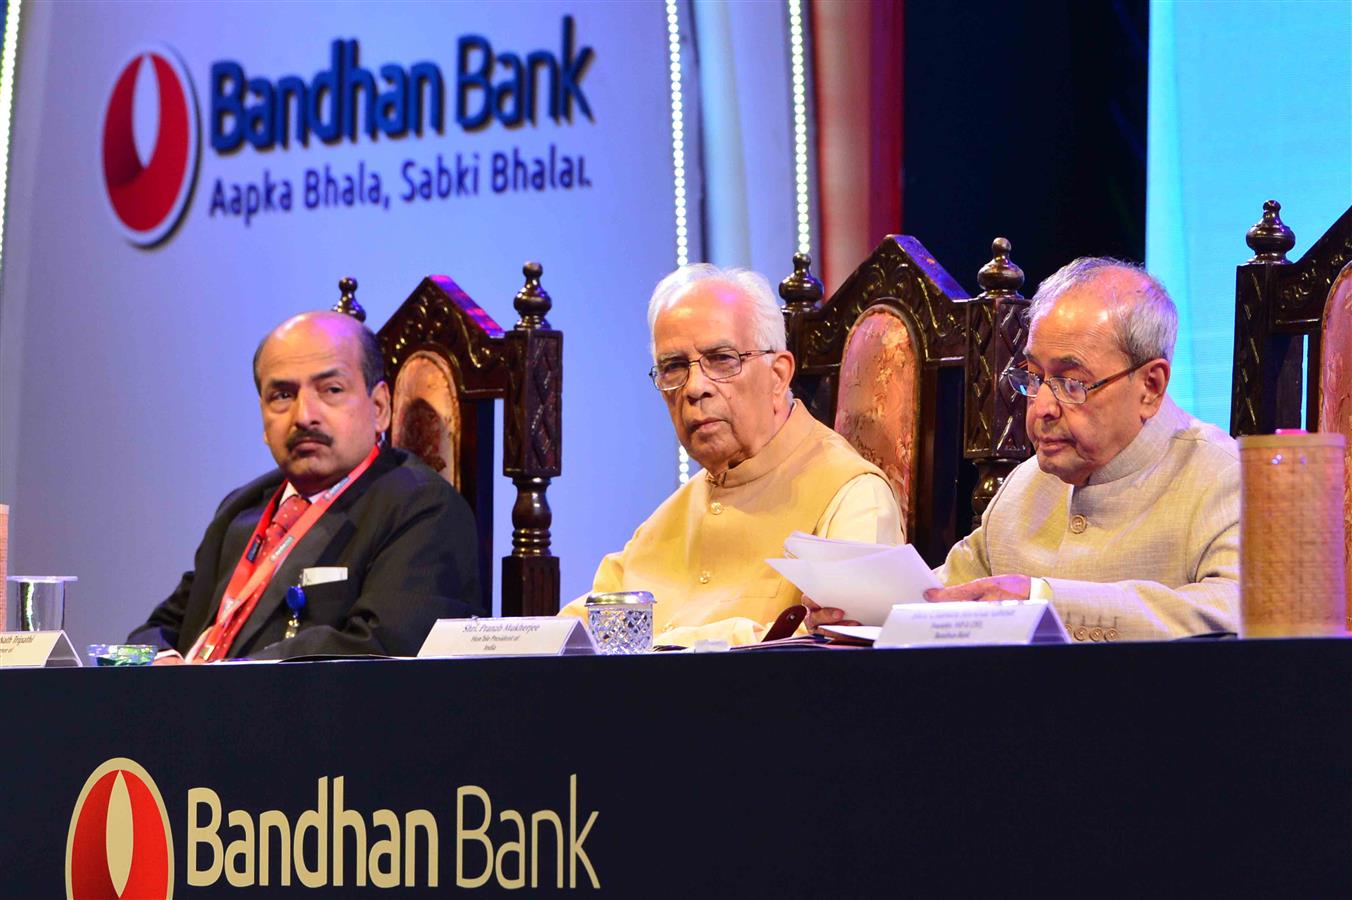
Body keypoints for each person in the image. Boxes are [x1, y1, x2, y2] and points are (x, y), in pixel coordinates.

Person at [808, 258, 1240, 641]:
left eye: (1072, 383)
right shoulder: (1028, 482)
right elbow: (947, 596)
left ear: (1151, 386)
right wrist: (862, 610)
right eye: (1033, 377)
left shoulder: (1223, 477)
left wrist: (1045, 601)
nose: (1043, 408)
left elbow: (1236, 610)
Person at [563, 264, 903, 647]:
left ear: (778, 376)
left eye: (722, 359)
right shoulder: (665, 521)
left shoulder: (851, 497)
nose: (694, 389)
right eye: (673, 367)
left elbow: (841, 661)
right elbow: (575, 634)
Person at [130, 311, 482, 661]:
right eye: (282, 395)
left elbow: (377, 650)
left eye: (331, 390)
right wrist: (163, 660)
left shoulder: (422, 509)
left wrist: (214, 684)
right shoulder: (242, 509)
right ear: (264, 419)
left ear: (379, 408)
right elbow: (156, 631)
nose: (303, 416)